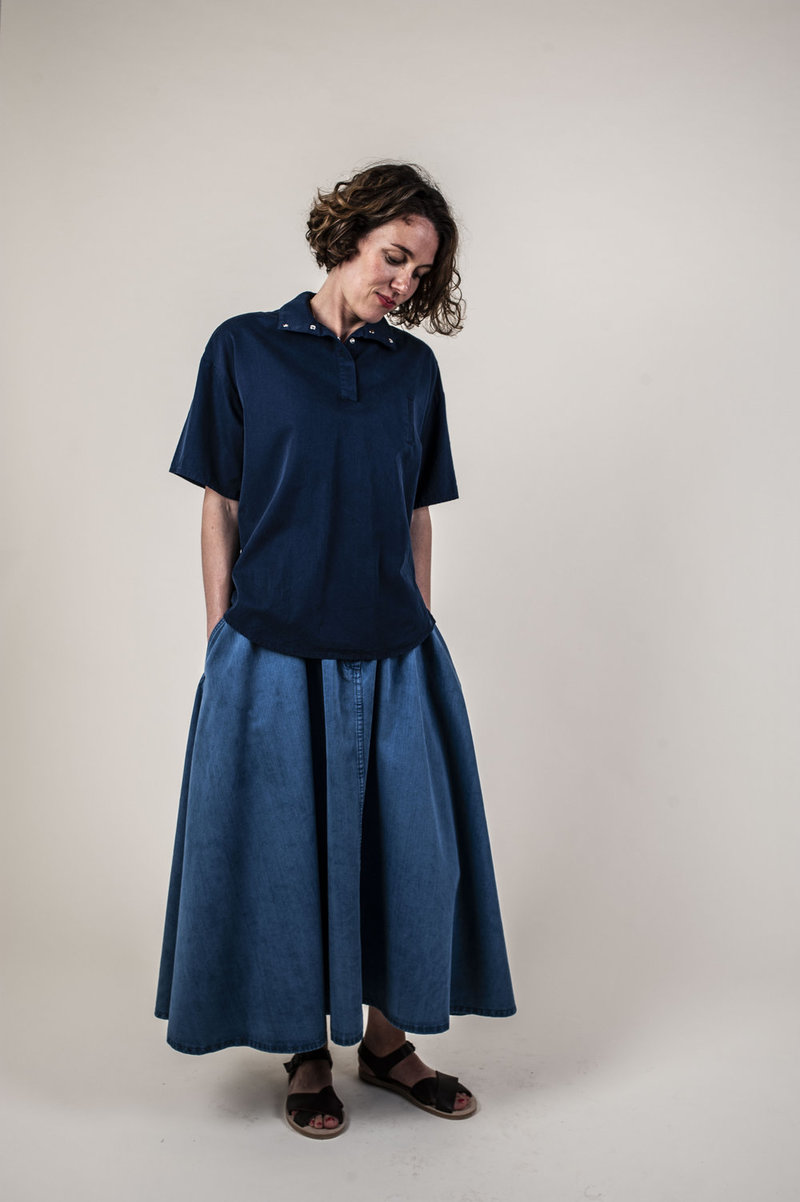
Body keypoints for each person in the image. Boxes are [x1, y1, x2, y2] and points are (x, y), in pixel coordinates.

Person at [155, 161, 516, 1139]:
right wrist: (221, 640)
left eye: (418, 271)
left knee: (407, 853)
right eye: (393, 256)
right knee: (285, 856)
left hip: (395, 651)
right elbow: (221, 503)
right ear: (349, 234)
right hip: (269, 647)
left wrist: (418, 623)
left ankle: (388, 1044)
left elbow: (417, 512)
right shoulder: (245, 348)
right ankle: (304, 1050)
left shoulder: (413, 371)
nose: (402, 282)